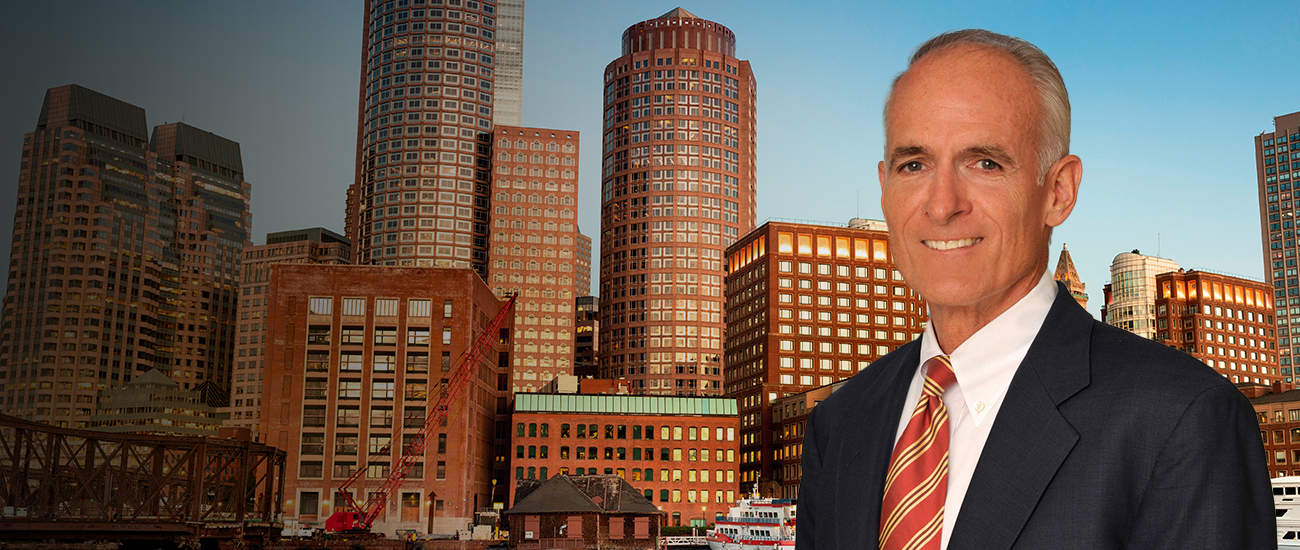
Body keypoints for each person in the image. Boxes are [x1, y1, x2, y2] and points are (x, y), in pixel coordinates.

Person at [795, 29, 1274, 550]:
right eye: (915, 164)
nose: (941, 204)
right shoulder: (839, 423)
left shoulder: (1182, 420)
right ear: (885, 189)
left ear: (1059, 192)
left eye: (985, 163)